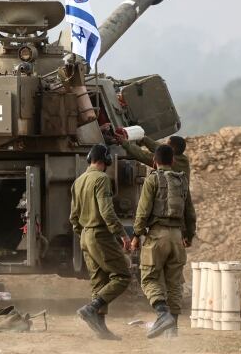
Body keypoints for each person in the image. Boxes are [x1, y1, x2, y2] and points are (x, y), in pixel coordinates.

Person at [131, 144, 196, 339]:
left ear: (154, 161)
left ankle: (162, 314)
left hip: (157, 235)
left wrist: (136, 234)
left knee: (149, 278)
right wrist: (188, 235)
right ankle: (172, 328)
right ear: (173, 161)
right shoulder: (182, 181)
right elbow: (190, 213)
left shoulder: (152, 179)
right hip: (177, 237)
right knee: (174, 282)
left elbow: (143, 211)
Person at [70, 144, 133, 340]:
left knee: (99, 282)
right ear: (105, 161)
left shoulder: (78, 181)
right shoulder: (102, 179)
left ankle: (101, 329)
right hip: (100, 235)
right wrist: (122, 235)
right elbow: (107, 212)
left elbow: (73, 217)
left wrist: (83, 235)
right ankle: (91, 308)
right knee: (122, 275)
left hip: (85, 237)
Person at [119, 133, 190, 181]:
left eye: (167, 144)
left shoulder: (169, 160)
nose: (164, 145)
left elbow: (144, 156)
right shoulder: (182, 158)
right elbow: (158, 147)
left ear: (172, 149)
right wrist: (145, 139)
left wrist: (125, 143)